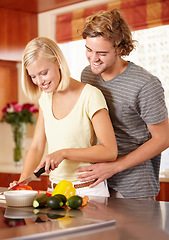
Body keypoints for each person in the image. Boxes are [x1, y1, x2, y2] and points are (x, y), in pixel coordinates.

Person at [77, 9, 169, 199]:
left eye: (101, 53)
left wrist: (114, 167)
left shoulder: (145, 84)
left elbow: (164, 138)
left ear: (120, 49)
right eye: (88, 49)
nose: (93, 59)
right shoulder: (88, 75)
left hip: (134, 187)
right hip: (97, 183)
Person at [10, 37, 118, 198]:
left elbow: (110, 151)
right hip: (55, 191)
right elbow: (37, 146)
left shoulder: (90, 95)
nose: (39, 82)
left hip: (87, 190)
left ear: (58, 62)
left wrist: (63, 153)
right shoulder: (45, 99)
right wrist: (22, 182)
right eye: (33, 76)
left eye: (43, 73)